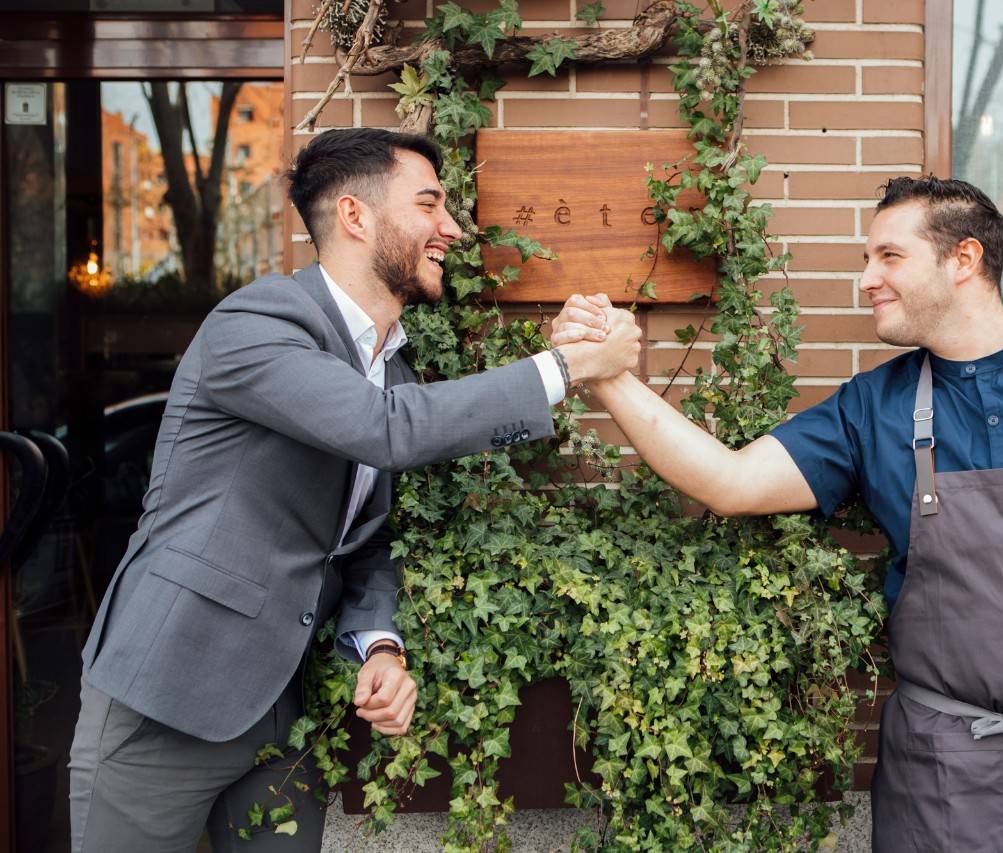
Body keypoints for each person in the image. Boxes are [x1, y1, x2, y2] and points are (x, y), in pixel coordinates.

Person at [552, 176, 1003, 850]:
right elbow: (729, 481)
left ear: (964, 260)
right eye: (865, 260)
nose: (868, 278)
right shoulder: (872, 409)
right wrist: (609, 376)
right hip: (942, 779)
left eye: (888, 257)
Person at [69, 127, 641, 852]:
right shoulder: (257, 323)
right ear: (354, 216)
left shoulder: (389, 367)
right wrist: (566, 367)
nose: (452, 228)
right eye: (430, 204)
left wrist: (379, 646)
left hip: (283, 719)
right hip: (165, 694)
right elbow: (385, 429)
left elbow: (359, 542)